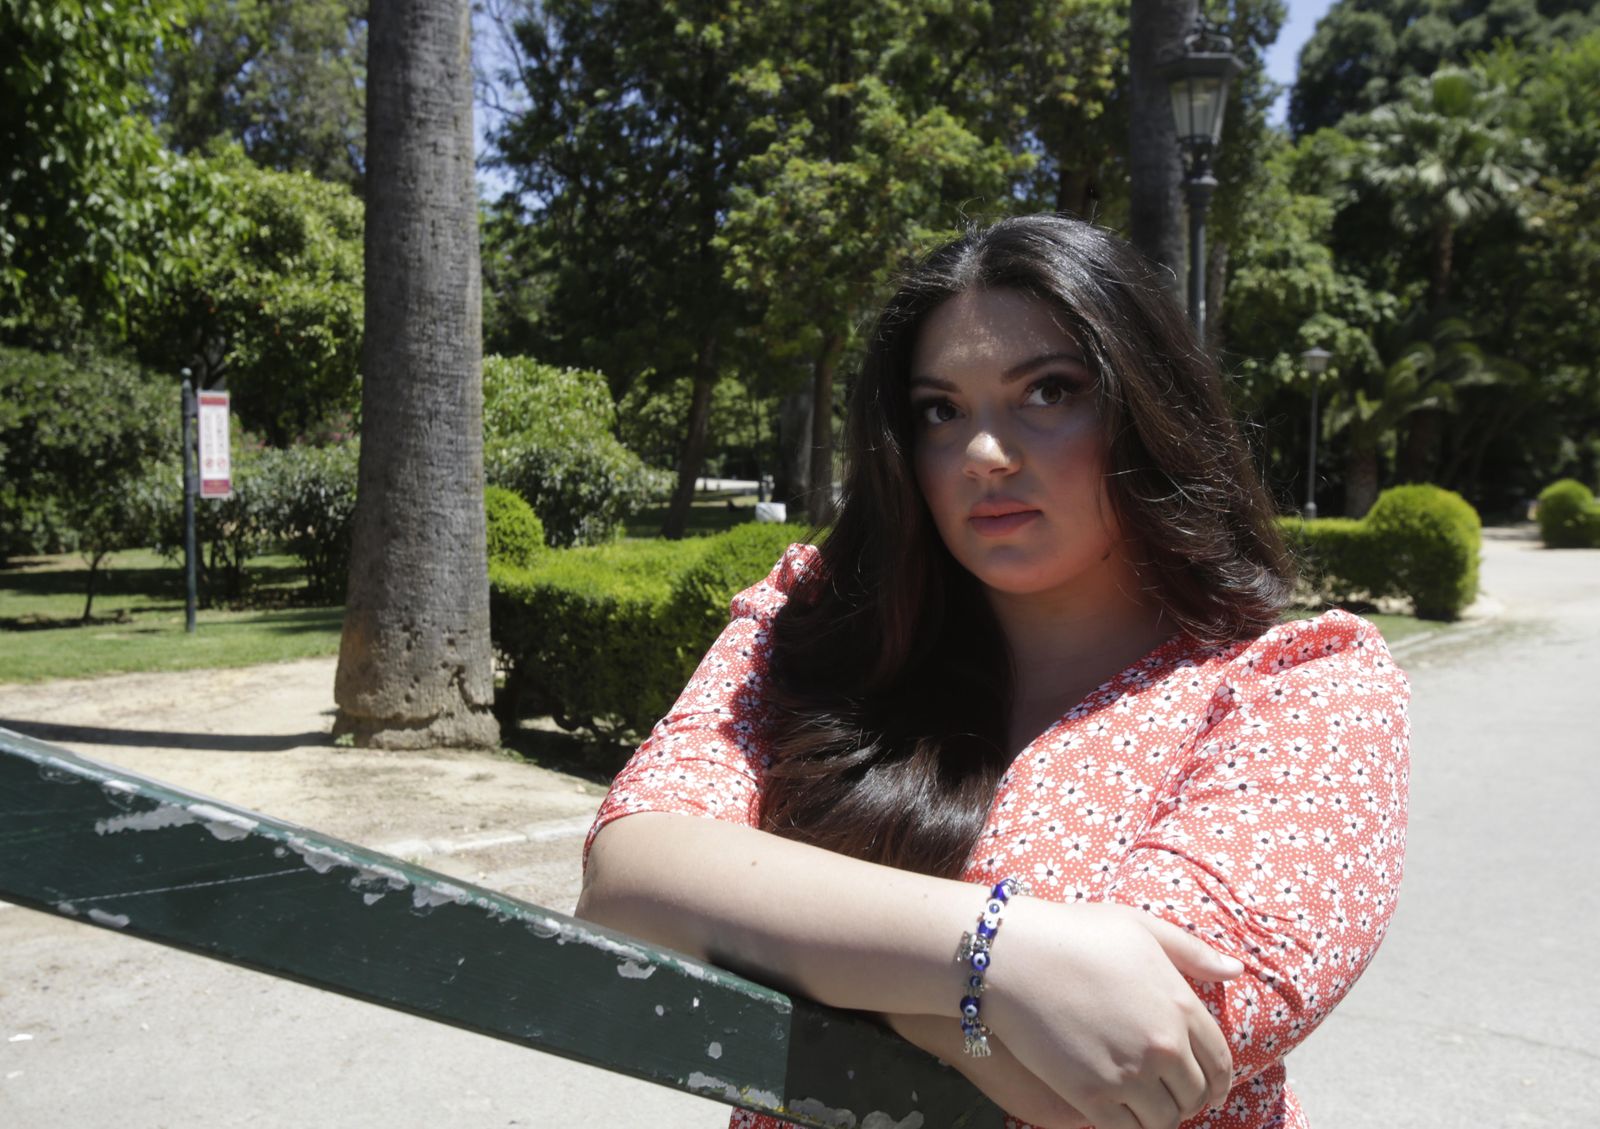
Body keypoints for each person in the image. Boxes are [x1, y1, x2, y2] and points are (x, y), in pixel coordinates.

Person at [577, 215, 1410, 1129]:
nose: (983, 454)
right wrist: (999, 961)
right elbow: (628, 885)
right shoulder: (807, 630)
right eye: (940, 409)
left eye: (1049, 391)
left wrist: (765, 932)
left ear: (1148, 408)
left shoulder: (1300, 690)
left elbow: (1131, 1054)